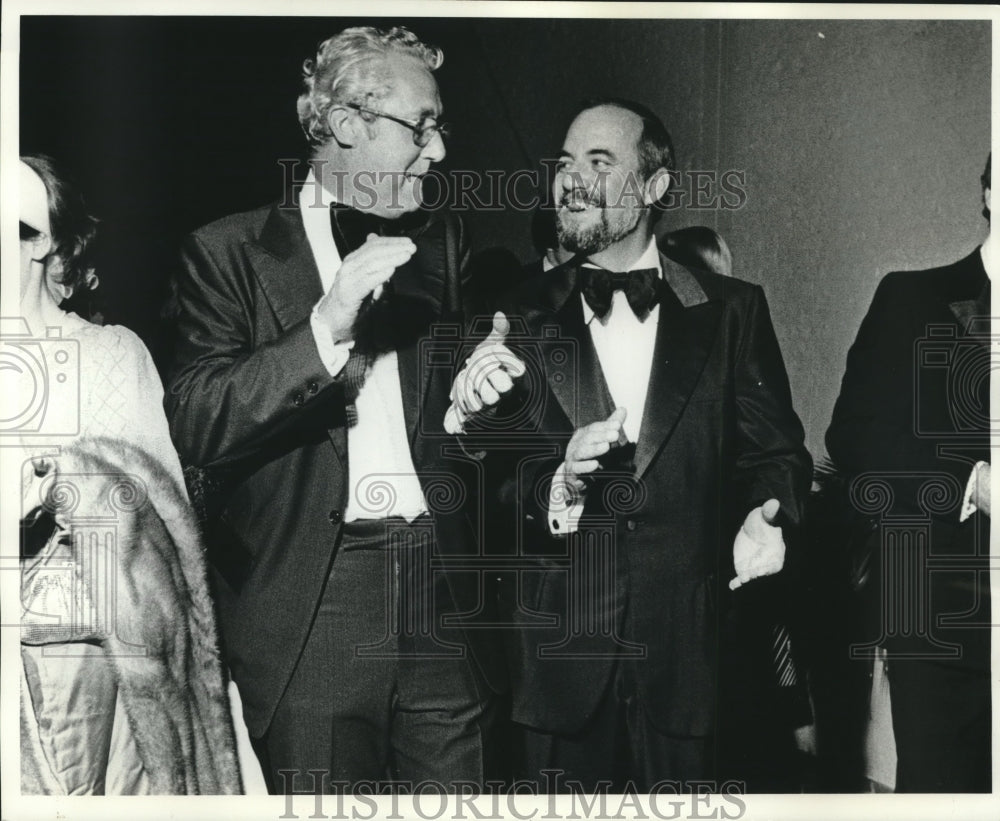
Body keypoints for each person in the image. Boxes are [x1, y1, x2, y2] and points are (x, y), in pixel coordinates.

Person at [165, 26, 503, 793]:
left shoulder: (444, 244)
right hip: (312, 602)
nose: (440, 150)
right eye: (422, 127)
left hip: (442, 586)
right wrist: (323, 328)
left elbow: (447, 421)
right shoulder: (226, 252)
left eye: (440, 127)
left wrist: (476, 410)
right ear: (347, 123)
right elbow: (195, 420)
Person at [446, 98, 811, 791]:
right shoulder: (509, 318)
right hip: (556, 673)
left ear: (654, 188)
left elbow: (780, 455)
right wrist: (557, 484)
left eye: (598, 161)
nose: (570, 179)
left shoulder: (733, 312)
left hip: (690, 668)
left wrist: (770, 513)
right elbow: (485, 487)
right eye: (564, 163)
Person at [15, 156, 242, 794]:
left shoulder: (109, 355)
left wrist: (68, 493)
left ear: (47, 244)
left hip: (71, 660)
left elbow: (162, 546)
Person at [825, 155, 992, 792]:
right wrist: (970, 482)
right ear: (989, 193)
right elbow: (855, 439)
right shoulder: (912, 298)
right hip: (948, 630)